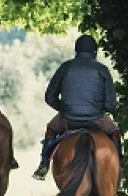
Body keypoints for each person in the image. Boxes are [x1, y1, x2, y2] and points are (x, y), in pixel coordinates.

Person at [33, 34, 121, 180]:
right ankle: (120, 167)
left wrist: (64, 108)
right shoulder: (102, 69)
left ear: (76, 51)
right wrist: (97, 107)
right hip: (96, 119)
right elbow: (111, 105)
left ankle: (44, 164)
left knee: (51, 129)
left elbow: (49, 97)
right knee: (115, 131)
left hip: (68, 119)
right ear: (95, 52)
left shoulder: (65, 67)